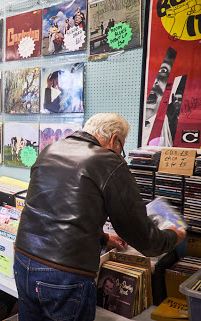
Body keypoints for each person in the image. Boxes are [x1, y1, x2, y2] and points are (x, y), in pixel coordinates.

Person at [14, 113, 186, 321]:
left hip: (23, 259)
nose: (120, 154)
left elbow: (57, 210)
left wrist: (104, 238)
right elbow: (143, 238)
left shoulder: (51, 149)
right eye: (121, 148)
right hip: (64, 272)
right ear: (115, 139)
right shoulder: (108, 162)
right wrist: (172, 237)